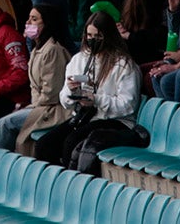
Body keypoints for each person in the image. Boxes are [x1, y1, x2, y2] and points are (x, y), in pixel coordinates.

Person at [33, 11, 143, 173]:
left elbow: (128, 105)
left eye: (98, 36)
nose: (92, 40)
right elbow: (64, 100)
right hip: (84, 116)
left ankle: (71, 184)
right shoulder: (79, 59)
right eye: (89, 35)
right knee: (44, 144)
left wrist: (97, 99)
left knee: (72, 142)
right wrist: (72, 93)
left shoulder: (124, 64)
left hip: (114, 120)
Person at [0, 4, 72, 155]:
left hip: (52, 109)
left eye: (34, 19)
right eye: (28, 19)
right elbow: (35, 88)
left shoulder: (53, 50)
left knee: (6, 123)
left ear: (46, 23)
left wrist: (33, 106)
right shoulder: (37, 50)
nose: (28, 23)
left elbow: (51, 93)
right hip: (39, 105)